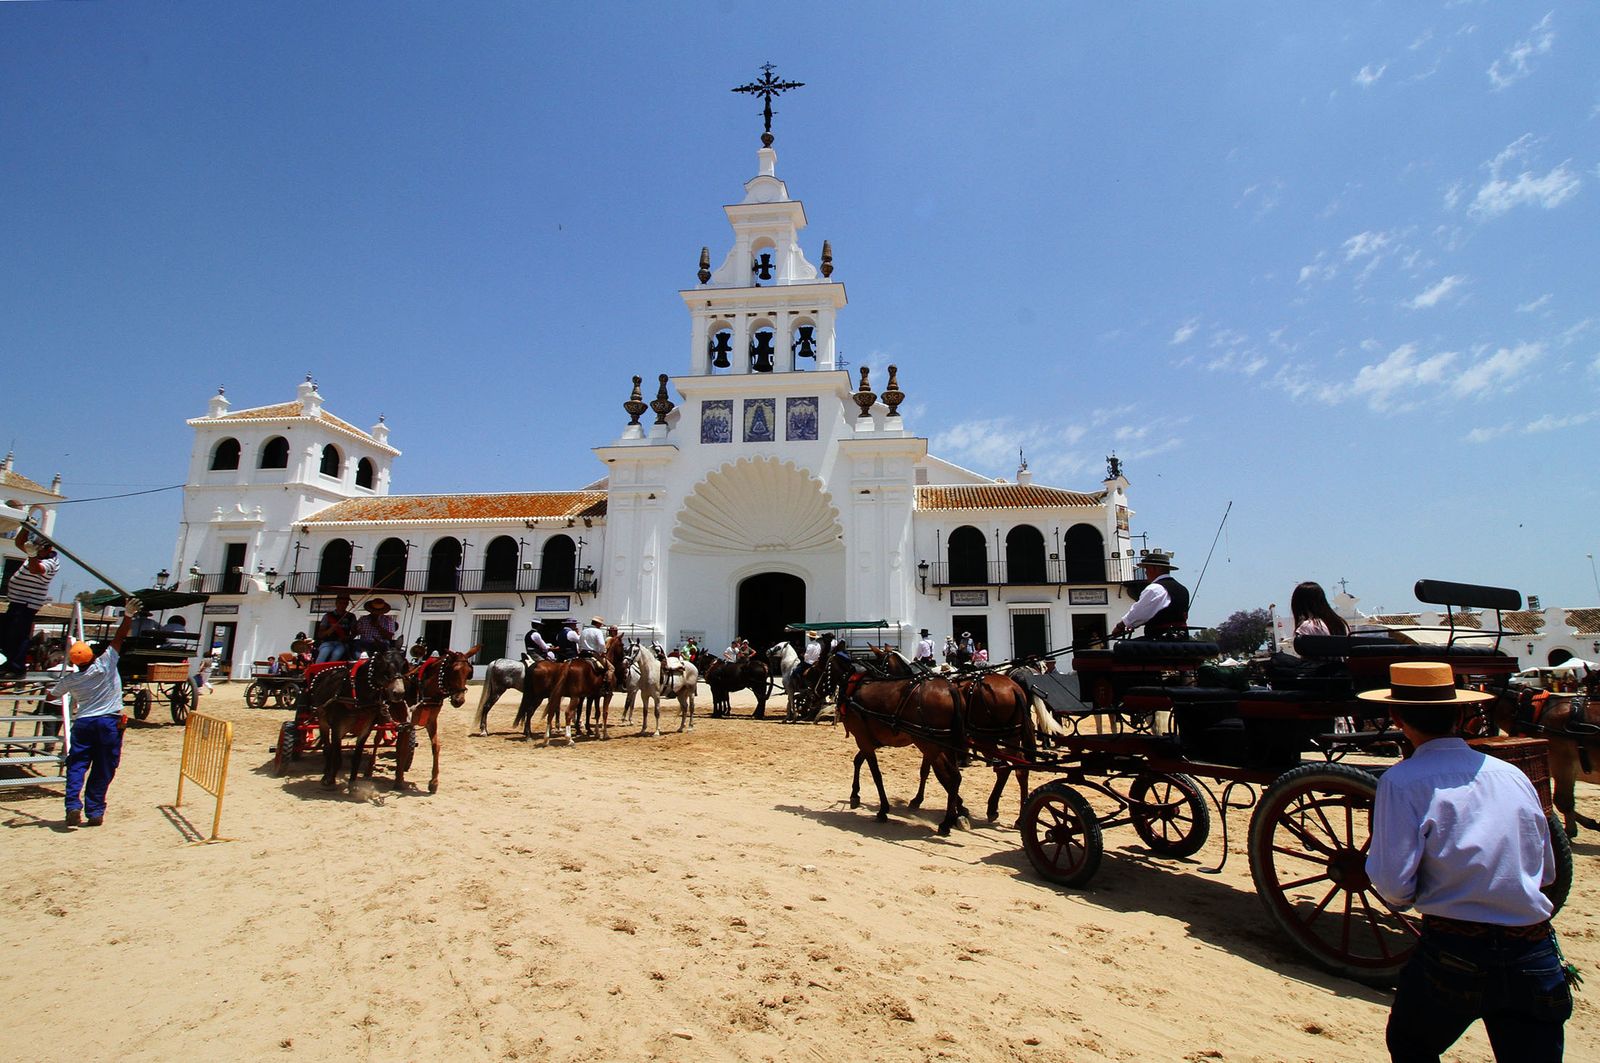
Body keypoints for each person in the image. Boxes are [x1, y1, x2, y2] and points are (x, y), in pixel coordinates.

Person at [1362, 662, 1571, 1061]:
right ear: (1460, 714)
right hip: (1533, 947)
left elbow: (1392, 886)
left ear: (1396, 716)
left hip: (1454, 949)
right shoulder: (1513, 775)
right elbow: (1546, 870)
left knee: (1410, 1044)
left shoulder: (1402, 781)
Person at [48, 598, 140, 827]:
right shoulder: (106, 663)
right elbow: (119, 637)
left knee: (77, 765)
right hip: (109, 723)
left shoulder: (71, 679)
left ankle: (72, 805)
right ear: (91, 655)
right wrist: (127, 615)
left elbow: (51, 696)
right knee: (104, 766)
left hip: (84, 723)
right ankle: (95, 810)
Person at [1, 527, 58, 677]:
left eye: (40, 550)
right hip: (17, 600)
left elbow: (36, 569)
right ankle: (7, 663)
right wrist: (26, 527)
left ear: (48, 548)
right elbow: (19, 542)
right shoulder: (36, 555)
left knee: (17, 635)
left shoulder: (51, 562)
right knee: (6, 633)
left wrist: (32, 554)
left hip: (27, 603)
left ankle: (17, 668)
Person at [1109, 550, 1189, 640]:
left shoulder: (1154, 589)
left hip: (1160, 638)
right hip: (1182, 638)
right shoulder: (1183, 589)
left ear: (1154, 568)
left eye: (1146, 569)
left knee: (1122, 648)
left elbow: (1139, 613)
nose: (1145, 573)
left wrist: (1120, 626)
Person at [314, 593, 356, 663]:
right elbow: (320, 634)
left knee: (337, 654)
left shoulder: (351, 616)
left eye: (345, 603)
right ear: (336, 603)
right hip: (327, 642)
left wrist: (348, 637)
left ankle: (329, 670)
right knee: (324, 652)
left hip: (341, 643)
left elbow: (354, 632)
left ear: (347, 604)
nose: (342, 605)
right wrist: (329, 631)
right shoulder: (328, 616)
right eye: (340, 603)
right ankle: (316, 670)